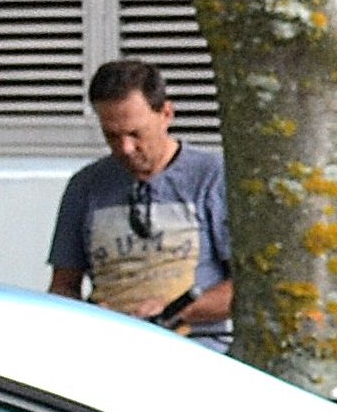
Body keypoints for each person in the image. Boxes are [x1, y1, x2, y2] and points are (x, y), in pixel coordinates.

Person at [46, 58, 235, 346]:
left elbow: (247, 287)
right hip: (108, 350)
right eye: (111, 136)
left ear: (166, 114)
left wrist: (177, 312)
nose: (125, 148)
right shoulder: (85, 186)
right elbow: (63, 285)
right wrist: (87, 314)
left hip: (198, 352)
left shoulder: (213, 177)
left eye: (136, 134)